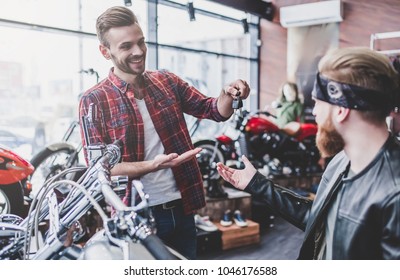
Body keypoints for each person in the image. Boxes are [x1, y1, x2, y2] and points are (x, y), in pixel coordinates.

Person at [78, 6, 250, 259]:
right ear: (105, 52)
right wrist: (151, 165)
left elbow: (213, 110)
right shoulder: (94, 100)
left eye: (141, 42)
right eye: (126, 46)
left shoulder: (166, 81)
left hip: (182, 206)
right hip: (135, 215)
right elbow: (99, 167)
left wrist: (228, 94)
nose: (138, 52)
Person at [217, 47, 400, 259]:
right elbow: (318, 221)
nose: (313, 112)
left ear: (341, 110)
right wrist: (256, 183)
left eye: (317, 103)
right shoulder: (341, 162)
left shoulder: (394, 192)